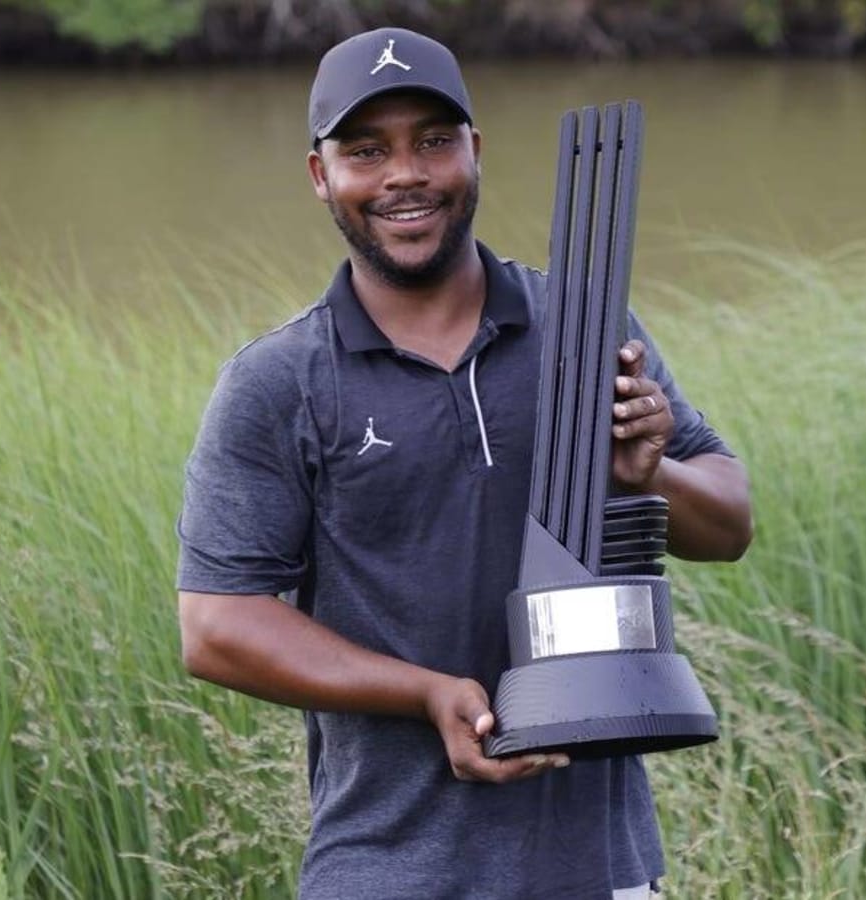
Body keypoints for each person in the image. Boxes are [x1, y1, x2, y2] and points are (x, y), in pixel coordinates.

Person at [176, 27, 752, 900]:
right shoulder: (281, 380)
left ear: (475, 153)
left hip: (600, 870)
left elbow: (729, 522)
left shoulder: (585, 324)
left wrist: (652, 475)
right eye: (367, 150)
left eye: (433, 142)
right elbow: (217, 625)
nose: (405, 175)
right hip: (385, 868)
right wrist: (425, 693)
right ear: (320, 175)